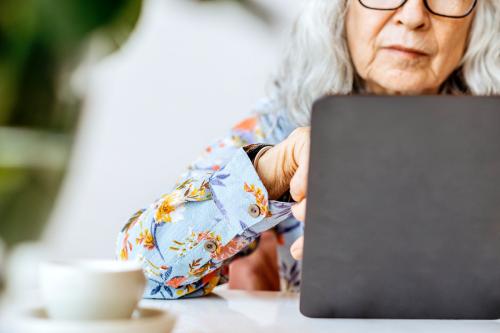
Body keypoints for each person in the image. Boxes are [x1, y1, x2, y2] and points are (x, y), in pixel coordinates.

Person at [116, 0, 500, 299]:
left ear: (479, 17)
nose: (413, 15)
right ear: (340, 9)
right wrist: (272, 172)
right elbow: (137, 271)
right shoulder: (281, 125)